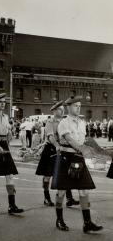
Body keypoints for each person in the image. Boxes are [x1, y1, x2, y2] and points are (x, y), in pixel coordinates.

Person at [51, 95, 103, 233]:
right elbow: (70, 140)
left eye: (80, 105)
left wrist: (95, 149)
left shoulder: (82, 122)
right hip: (65, 158)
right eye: (75, 105)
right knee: (61, 191)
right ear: (69, 107)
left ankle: (87, 223)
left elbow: (83, 140)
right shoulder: (64, 123)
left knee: (84, 191)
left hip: (78, 158)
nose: (78, 107)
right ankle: (59, 220)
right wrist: (83, 149)